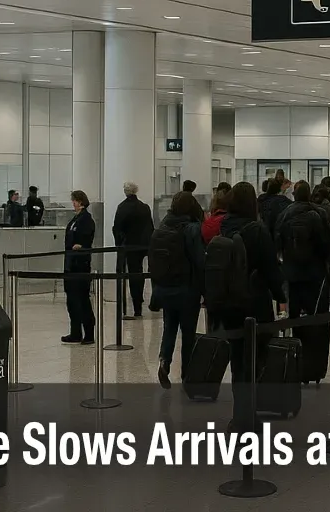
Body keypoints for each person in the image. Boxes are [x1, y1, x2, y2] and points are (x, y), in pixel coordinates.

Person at [210, 182, 286, 427]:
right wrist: (281, 297)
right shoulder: (258, 230)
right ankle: (249, 414)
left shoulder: (224, 227)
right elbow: (270, 269)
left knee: (238, 359)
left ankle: (239, 414)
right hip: (255, 303)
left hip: (229, 303)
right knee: (256, 359)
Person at [149, 191, 206, 388]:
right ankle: (186, 374)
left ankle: (164, 361)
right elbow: (199, 261)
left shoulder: (163, 226)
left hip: (165, 287)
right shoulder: (191, 228)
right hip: (187, 289)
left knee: (169, 328)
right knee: (188, 333)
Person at [277, 181, 329, 319]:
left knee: (294, 309)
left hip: (292, 271)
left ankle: (296, 336)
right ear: (309, 194)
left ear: (294, 195)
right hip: (314, 271)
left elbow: (278, 241)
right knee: (314, 311)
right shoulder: (319, 213)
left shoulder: (284, 215)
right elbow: (324, 242)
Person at [112, 181, 155, 319]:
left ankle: (131, 306)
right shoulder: (144, 207)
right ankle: (144, 304)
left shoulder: (122, 207)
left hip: (129, 246)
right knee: (142, 274)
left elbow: (117, 228)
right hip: (144, 245)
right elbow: (150, 227)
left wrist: (119, 244)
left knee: (129, 274)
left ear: (125, 191)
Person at [61, 191, 96, 345]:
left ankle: (89, 333)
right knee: (71, 300)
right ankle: (75, 332)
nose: (73, 203)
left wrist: (80, 246)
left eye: (75, 200)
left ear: (82, 201)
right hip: (70, 264)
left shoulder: (86, 220)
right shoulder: (74, 220)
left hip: (80, 265)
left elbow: (86, 240)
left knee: (82, 299)